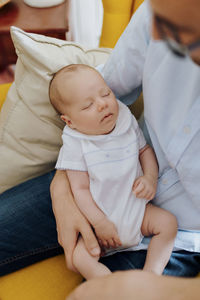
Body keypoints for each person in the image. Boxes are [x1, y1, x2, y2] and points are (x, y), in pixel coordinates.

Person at [0, 0, 200, 298]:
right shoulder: (164, 11)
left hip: (181, 236)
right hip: (94, 186)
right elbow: (96, 89)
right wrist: (63, 186)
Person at [49, 63, 177, 279]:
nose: (102, 105)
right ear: (69, 121)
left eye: (105, 93)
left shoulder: (124, 121)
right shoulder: (76, 143)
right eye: (88, 105)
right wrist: (99, 223)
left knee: (168, 224)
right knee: (80, 258)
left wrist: (150, 177)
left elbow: (144, 151)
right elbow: (79, 189)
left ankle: (152, 274)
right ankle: (107, 284)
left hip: (138, 213)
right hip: (102, 221)